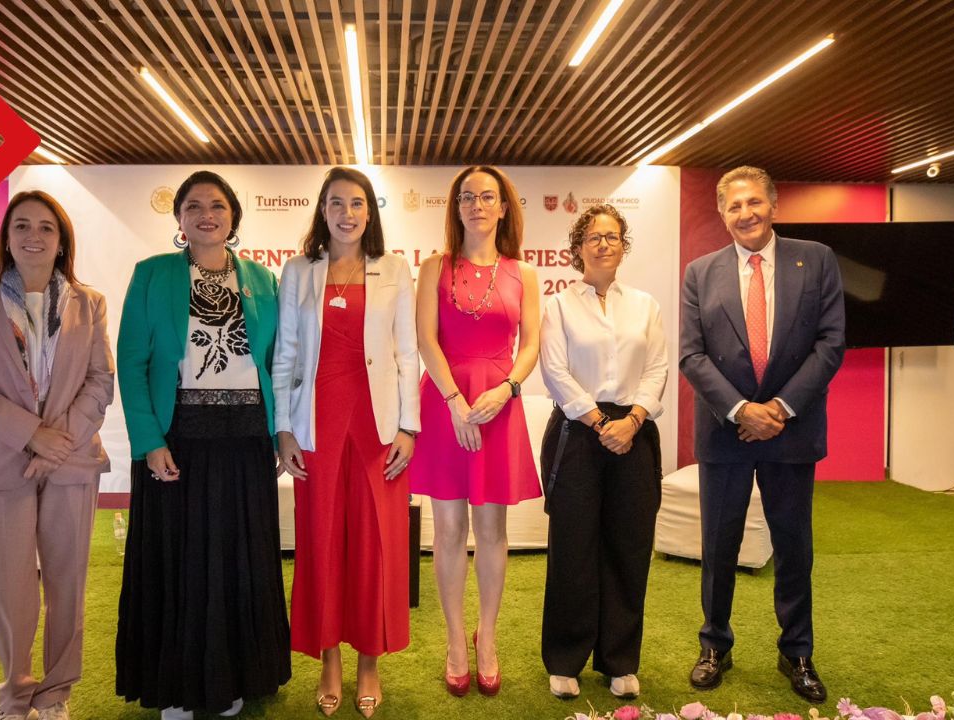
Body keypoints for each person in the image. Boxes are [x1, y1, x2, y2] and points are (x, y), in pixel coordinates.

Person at [114, 170, 290, 719]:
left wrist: (279, 434)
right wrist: (149, 442)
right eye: (193, 206)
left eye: (217, 205)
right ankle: (179, 686)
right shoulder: (152, 274)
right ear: (179, 218)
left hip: (246, 442)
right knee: (180, 565)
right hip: (177, 444)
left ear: (233, 217)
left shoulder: (262, 279)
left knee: (240, 562)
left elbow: (275, 363)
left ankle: (235, 678)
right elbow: (131, 362)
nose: (206, 215)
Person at [679, 166, 845, 703]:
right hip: (725, 431)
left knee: (793, 546)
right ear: (721, 213)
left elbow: (830, 343)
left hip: (790, 430)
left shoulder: (816, 259)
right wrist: (740, 411)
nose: (745, 213)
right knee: (718, 545)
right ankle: (714, 645)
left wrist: (777, 408)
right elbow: (692, 354)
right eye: (734, 205)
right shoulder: (700, 272)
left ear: (773, 205)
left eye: (754, 202)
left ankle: (797, 651)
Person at [0, 190, 115, 720]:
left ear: (62, 240)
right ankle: (16, 696)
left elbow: (100, 381)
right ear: (6, 238)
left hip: (71, 462)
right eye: (21, 226)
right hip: (0, 462)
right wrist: (30, 435)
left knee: (67, 584)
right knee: (5, 589)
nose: (34, 236)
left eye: (46, 227)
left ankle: (56, 694)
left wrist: (57, 441)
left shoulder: (89, 302)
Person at [273, 166, 420, 718]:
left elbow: (407, 354)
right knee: (322, 542)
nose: (347, 213)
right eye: (336, 203)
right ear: (323, 210)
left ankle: (369, 661)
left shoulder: (395, 269)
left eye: (357, 203)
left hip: (379, 426)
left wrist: (408, 427)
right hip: (316, 424)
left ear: (370, 212)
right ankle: (329, 660)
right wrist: (283, 428)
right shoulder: (298, 271)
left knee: (376, 544)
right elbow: (286, 354)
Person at [412, 165, 542, 697]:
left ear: (504, 207)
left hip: (498, 404)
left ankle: (486, 637)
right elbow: (425, 339)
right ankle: (455, 642)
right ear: (456, 207)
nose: (477, 205)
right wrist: (454, 403)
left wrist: (506, 390)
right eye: (467, 197)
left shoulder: (523, 273)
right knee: (447, 530)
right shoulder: (434, 267)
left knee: (491, 531)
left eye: (487, 197)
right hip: (446, 402)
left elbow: (530, 346)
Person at [537, 203, 667, 701]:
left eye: (612, 236)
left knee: (629, 548)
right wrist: (599, 422)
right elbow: (555, 370)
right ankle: (565, 659)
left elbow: (657, 369)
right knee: (572, 548)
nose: (604, 244)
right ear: (578, 248)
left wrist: (631, 421)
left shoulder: (645, 305)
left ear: (623, 245)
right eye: (593, 237)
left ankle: (619, 660)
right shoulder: (559, 306)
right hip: (578, 432)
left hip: (635, 432)